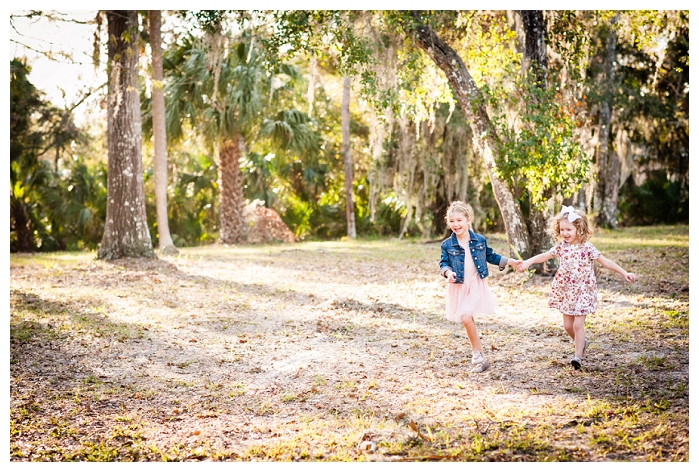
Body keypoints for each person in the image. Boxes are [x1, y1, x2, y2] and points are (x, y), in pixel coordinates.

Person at [517, 205, 637, 369]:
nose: (565, 233)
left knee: (577, 325)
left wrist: (624, 273)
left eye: (568, 230)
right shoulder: (561, 247)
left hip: (584, 290)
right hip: (567, 290)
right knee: (567, 326)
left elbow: (605, 262)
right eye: (562, 230)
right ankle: (583, 343)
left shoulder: (587, 247)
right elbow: (545, 255)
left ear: (579, 229)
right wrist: (528, 262)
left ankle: (578, 357)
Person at [439, 201, 521, 373]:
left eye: (459, 220)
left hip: (476, 284)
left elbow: (491, 256)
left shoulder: (479, 240)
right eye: (452, 221)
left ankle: (477, 355)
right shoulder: (447, 244)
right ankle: (480, 356)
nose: (456, 224)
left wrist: (510, 261)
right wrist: (448, 273)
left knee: (466, 317)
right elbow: (443, 263)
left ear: (468, 220)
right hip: (458, 286)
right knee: (467, 318)